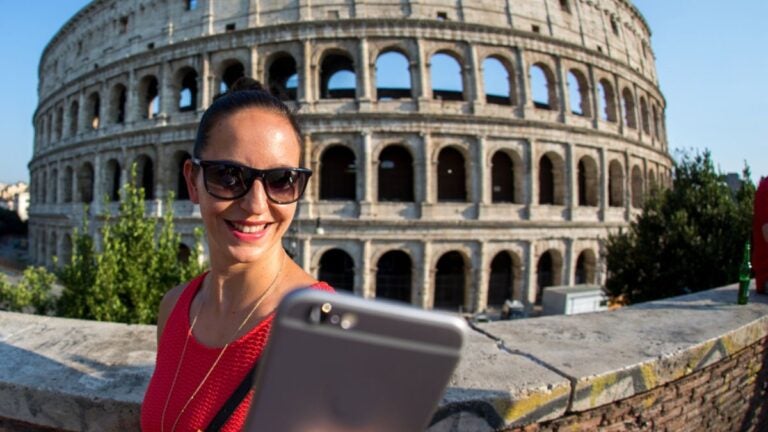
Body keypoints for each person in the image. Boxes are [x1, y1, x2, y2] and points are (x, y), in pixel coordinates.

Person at [141, 78, 333, 431]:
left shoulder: (322, 329)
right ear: (192, 181)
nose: (256, 204)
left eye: (281, 180)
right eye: (229, 176)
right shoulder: (174, 307)